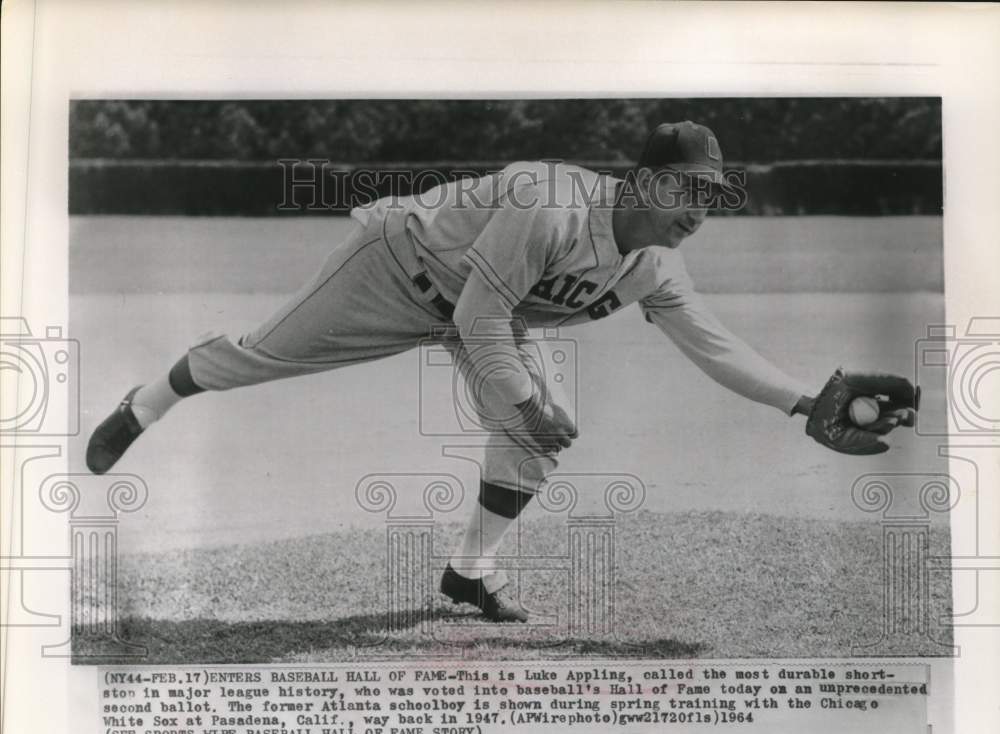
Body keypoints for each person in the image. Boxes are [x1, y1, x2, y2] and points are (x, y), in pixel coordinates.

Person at [86, 121, 918, 623]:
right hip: (398, 265)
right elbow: (477, 317)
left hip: (489, 309)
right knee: (261, 357)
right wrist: (525, 395)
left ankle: (466, 572)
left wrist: (802, 401)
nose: (699, 210)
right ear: (643, 179)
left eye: (711, 196)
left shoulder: (654, 264)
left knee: (532, 447)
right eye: (687, 190)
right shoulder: (549, 201)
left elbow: (714, 344)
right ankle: (148, 401)